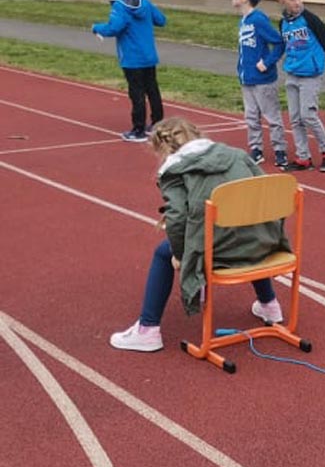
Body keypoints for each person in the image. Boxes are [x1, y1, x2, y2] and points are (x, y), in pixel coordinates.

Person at [109, 117, 289, 353]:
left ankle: (148, 330)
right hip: (264, 242)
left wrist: (180, 255)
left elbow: (177, 219)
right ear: (197, 134)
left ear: (162, 148)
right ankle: (269, 305)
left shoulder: (174, 170)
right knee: (244, 227)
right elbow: (266, 189)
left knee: (163, 253)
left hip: (222, 251)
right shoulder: (237, 155)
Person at [91, 0, 167, 142]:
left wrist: (96, 27)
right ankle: (158, 123)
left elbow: (114, 28)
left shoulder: (120, 7)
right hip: (148, 56)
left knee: (137, 93)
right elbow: (161, 20)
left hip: (132, 59)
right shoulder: (145, 2)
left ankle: (138, 129)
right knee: (152, 90)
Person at [275, 0, 325, 172]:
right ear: (281, 0)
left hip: (310, 74)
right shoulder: (283, 23)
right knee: (295, 118)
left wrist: (322, 54)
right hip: (292, 73)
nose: (296, 2)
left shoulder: (309, 18)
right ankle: (303, 157)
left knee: (308, 115)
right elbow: (286, 44)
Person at [230, 0, 288, 168]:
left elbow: (279, 43)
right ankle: (256, 149)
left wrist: (267, 62)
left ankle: (280, 150)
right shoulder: (243, 21)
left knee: (271, 116)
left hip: (263, 80)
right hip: (247, 78)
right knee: (251, 116)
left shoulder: (258, 19)